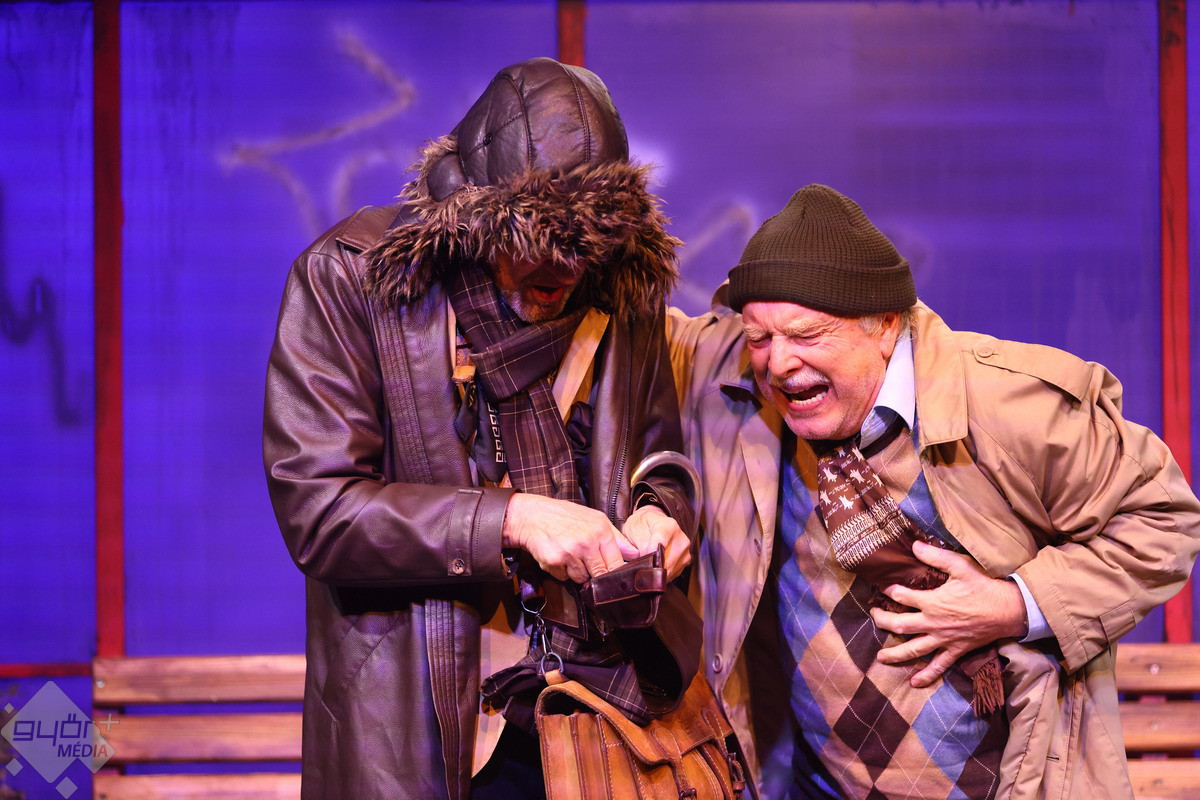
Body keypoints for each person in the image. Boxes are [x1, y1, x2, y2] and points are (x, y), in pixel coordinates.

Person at [667, 184, 1200, 800]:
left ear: (884, 326)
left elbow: (1164, 520)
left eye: (807, 335)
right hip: (815, 785)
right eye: (760, 338)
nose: (778, 363)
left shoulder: (1007, 402)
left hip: (1002, 782)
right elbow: (618, 328)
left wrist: (1014, 603)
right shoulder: (734, 378)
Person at [263, 57, 696, 800]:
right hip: (427, 726)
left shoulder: (621, 289)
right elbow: (321, 512)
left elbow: (658, 453)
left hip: (596, 709)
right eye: (538, 243)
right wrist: (513, 518)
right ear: (473, 215)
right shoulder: (350, 278)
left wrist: (663, 511)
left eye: (586, 248)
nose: (564, 271)